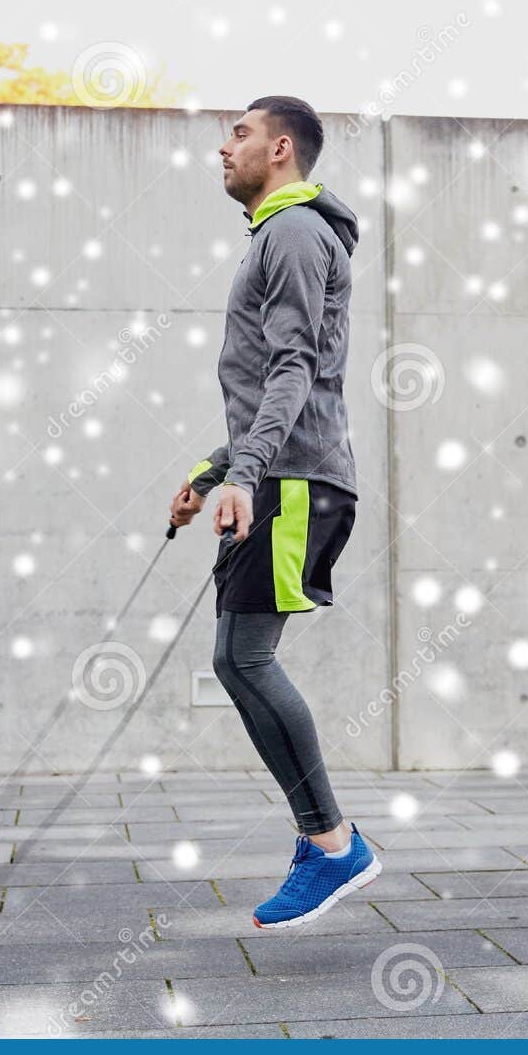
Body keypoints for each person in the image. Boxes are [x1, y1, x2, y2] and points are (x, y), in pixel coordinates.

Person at [168, 95, 380, 930]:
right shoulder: (280, 235)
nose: (224, 148)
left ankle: (333, 843)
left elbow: (296, 367)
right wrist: (210, 470)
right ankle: (323, 839)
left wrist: (246, 476)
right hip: (281, 475)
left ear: (282, 148)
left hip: (295, 484)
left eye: (241, 134)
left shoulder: (293, 232)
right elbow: (276, 386)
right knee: (234, 658)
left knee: (246, 659)